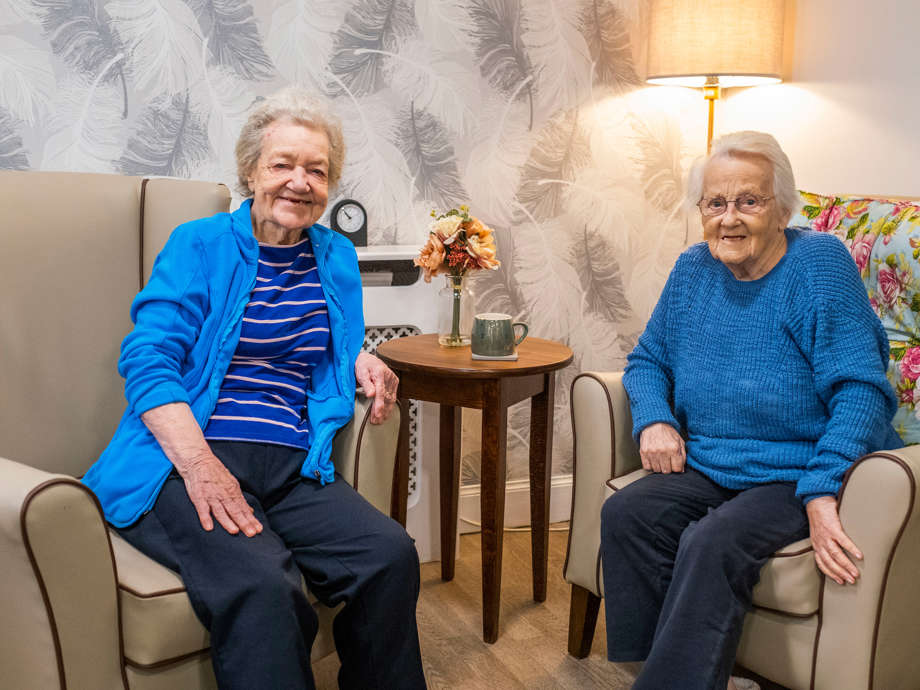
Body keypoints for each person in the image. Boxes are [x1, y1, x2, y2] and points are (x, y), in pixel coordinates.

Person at [82, 87, 426, 689]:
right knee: (264, 585)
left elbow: (330, 344)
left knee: (389, 557)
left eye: (316, 170)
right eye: (282, 164)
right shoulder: (200, 243)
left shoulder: (335, 255)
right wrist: (198, 464)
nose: (300, 182)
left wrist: (360, 362)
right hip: (186, 459)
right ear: (250, 171)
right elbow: (147, 356)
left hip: (291, 466)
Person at [600, 131, 901, 690]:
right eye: (715, 203)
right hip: (714, 462)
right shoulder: (694, 269)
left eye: (749, 201)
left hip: (797, 468)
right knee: (629, 514)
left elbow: (863, 390)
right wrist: (655, 418)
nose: (729, 218)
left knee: (711, 543)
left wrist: (823, 488)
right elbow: (647, 360)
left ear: (782, 208)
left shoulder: (818, 265)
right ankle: (678, 668)